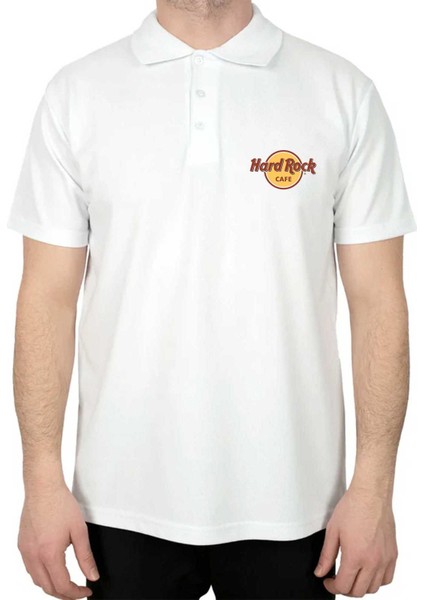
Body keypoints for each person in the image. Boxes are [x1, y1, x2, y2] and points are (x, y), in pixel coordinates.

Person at [7, 0, 417, 598]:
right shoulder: (77, 94)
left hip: (299, 505)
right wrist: (41, 481)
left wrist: (376, 489)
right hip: (119, 503)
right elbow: (46, 299)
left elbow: (379, 302)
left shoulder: (341, 92)